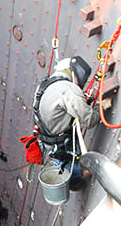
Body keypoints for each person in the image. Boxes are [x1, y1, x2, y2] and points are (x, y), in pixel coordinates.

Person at [33, 56, 100, 190]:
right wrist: (99, 107)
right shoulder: (68, 89)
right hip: (63, 143)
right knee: (80, 170)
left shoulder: (46, 84)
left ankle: (73, 179)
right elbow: (90, 120)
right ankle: (79, 178)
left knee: (63, 164)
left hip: (48, 140)